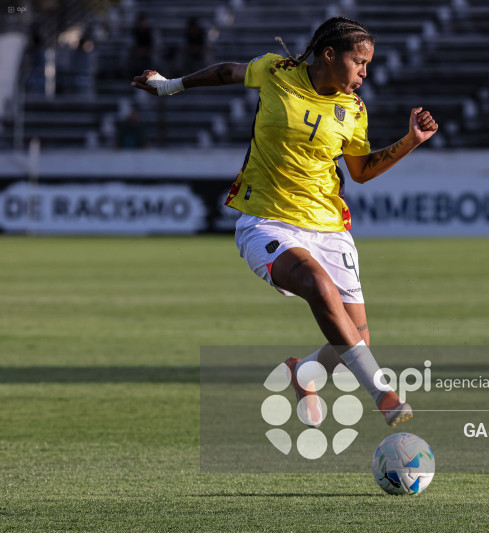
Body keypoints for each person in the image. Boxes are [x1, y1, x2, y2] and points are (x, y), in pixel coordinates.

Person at [131, 17, 438, 428]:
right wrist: (169, 85)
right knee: (317, 285)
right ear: (330, 55)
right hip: (267, 221)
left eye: (368, 63)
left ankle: (302, 372)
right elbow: (226, 72)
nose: (365, 72)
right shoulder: (278, 72)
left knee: (357, 341)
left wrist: (409, 142)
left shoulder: (353, 110)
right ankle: (381, 390)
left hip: (329, 226)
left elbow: (361, 171)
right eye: (359, 61)